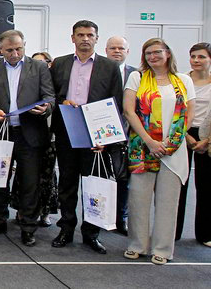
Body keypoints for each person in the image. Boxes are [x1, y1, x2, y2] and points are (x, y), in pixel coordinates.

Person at [50, 20, 123, 254]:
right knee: (67, 183)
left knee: (93, 185)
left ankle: (91, 233)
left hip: (96, 134)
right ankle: (66, 229)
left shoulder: (110, 67)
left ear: (96, 38)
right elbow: (50, 95)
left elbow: (116, 103)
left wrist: (108, 139)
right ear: (72, 38)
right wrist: (62, 101)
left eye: (90, 35)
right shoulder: (59, 63)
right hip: (67, 130)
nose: (85, 39)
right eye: (80, 35)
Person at [122, 38, 196, 265]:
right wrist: (150, 142)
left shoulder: (183, 80)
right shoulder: (137, 78)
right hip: (142, 147)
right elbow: (129, 111)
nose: (153, 57)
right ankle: (137, 245)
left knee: (168, 202)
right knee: (138, 199)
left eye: (157, 52)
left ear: (168, 53)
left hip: (173, 150)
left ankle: (162, 249)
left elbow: (189, 114)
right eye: (148, 53)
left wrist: (170, 143)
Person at [0, 30, 54, 246]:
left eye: (19, 49)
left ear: (24, 46)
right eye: (10, 50)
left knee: (30, 181)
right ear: (0, 50)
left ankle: (28, 226)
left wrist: (46, 108)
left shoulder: (38, 67)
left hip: (30, 132)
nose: (15, 53)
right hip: (1, 132)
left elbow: (50, 96)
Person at [177, 42, 211, 245]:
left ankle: (205, 234)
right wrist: (186, 136)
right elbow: (175, 110)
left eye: (201, 57)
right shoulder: (181, 80)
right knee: (179, 185)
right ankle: (173, 233)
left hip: (207, 137)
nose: (196, 60)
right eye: (193, 56)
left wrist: (206, 140)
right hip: (182, 133)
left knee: (206, 187)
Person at [106, 35, 135, 235]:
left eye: (121, 48)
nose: (117, 51)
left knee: (124, 179)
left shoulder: (137, 75)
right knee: (102, 177)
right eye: (113, 48)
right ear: (106, 51)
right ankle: (101, 217)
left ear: (127, 51)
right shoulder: (100, 70)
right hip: (102, 133)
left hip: (128, 135)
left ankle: (121, 217)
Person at [30, 51, 60, 227]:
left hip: (50, 135)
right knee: (26, 175)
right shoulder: (30, 82)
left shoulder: (54, 84)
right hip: (31, 133)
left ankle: (45, 211)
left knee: (47, 175)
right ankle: (24, 209)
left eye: (43, 62)